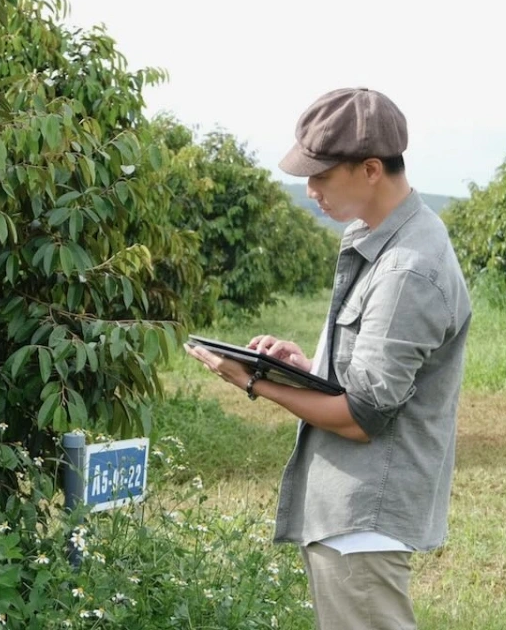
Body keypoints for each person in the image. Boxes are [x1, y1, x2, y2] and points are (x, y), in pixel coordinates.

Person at [185, 87, 471, 630]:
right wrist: (305, 369)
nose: (309, 189)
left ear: (369, 170)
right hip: (349, 515)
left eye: (320, 175)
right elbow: (366, 379)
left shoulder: (407, 268)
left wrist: (252, 382)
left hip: (364, 517)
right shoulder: (378, 239)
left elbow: (361, 418)